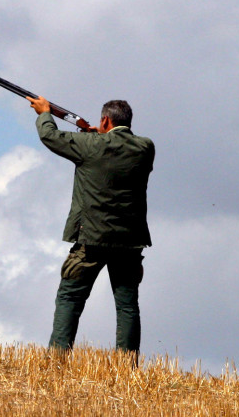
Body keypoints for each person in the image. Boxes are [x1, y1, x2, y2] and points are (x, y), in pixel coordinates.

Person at [26, 95, 154, 354]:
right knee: (127, 305)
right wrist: (98, 135)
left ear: (105, 120)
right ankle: (127, 367)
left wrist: (44, 113)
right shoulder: (145, 147)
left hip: (91, 238)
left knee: (70, 297)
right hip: (130, 240)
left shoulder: (90, 145)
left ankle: (57, 360)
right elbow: (112, 147)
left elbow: (51, 137)